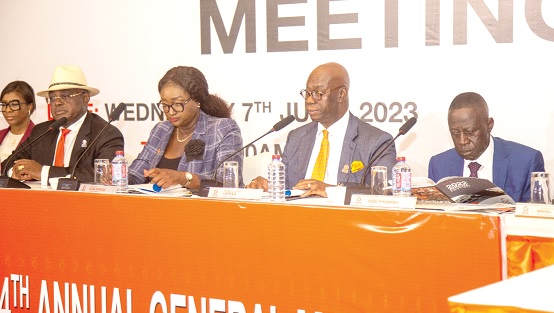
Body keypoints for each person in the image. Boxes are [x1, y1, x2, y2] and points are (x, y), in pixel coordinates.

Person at [247, 62, 397, 197]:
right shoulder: (296, 137)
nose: (309, 100)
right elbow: (286, 187)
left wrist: (331, 190)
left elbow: (384, 191)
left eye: (318, 93)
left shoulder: (376, 141)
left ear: (341, 94)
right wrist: (269, 186)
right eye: (307, 93)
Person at [1, 65, 124, 184]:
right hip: (40, 202)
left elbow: (103, 175)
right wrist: (17, 172)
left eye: (65, 96)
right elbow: (7, 164)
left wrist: (43, 172)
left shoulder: (105, 134)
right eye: (53, 98)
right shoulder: (41, 131)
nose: (57, 102)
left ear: (85, 98)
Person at [128, 66, 243, 189]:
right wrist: (116, 178)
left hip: (199, 207)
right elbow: (135, 174)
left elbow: (227, 185)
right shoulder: (161, 130)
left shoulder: (221, 129)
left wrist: (181, 178)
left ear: (197, 100)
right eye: (165, 104)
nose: (170, 111)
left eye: (177, 104)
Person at [428, 91, 544, 202]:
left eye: (470, 132)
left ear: (489, 125)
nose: (462, 141)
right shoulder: (438, 165)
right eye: (455, 133)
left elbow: (533, 218)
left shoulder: (526, 162)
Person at [0, 81, 36, 162]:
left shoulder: (39, 139)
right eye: (4, 105)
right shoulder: (1, 134)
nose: (8, 110)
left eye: (14, 104)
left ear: (29, 106)